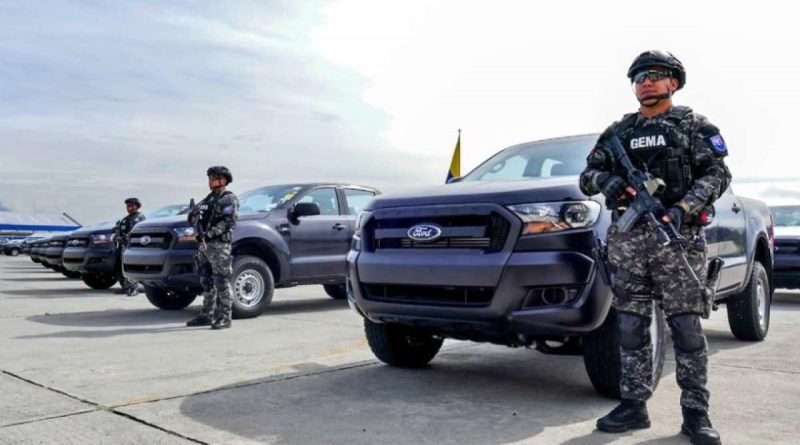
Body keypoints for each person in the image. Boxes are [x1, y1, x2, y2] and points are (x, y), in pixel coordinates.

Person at [579, 51, 731, 445]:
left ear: (673, 82)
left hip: (677, 238)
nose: (645, 82)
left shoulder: (694, 126)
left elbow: (718, 174)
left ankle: (696, 413)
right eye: (639, 78)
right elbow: (587, 175)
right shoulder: (618, 132)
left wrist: (683, 209)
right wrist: (605, 181)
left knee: (686, 327)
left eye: (654, 75)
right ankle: (634, 404)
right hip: (629, 242)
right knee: (630, 325)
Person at [186, 166, 239, 330]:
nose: (210, 181)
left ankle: (225, 316)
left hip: (219, 245)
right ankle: (206, 314)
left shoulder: (228, 198)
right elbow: (199, 215)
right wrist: (192, 217)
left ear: (223, 180)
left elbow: (228, 221)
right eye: (209, 178)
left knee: (222, 281)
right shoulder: (209, 199)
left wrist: (208, 234)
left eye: (213, 178)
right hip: (204, 246)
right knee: (206, 280)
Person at [113, 197, 146, 296]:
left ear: (137, 206)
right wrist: (116, 236)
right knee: (123, 267)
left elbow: (134, 231)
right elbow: (119, 230)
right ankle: (126, 286)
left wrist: (124, 237)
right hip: (124, 246)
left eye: (131, 206)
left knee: (132, 267)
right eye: (128, 206)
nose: (129, 208)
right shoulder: (126, 219)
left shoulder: (139, 218)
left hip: (134, 247)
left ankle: (133, 288)